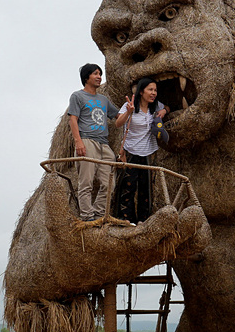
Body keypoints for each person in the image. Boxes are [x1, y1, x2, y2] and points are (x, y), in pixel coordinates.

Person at [67, 63, 121, 221]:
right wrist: (78, 142)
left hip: (104, 144)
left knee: (109, 183)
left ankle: (98, 214)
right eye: (95, 74)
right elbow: (73, 120)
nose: (99, 77)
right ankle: (87, 216)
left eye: (100, 74)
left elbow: (119, 117)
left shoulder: (103, 100)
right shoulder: (77, 96)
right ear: (86, 77)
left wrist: (130, 111)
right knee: (86, 182)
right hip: (87, 140)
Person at [114, 77, 169, 224]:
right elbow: (118, 123)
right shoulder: (129, 105)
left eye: (155, 90)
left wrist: (163, 110)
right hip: (131, 151)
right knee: (128, 187)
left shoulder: (155, 106)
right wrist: (129, 112)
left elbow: (168, 108)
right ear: (141, 91)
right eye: (150, 90)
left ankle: (144, 220)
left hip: (148, 153)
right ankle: (125, 219)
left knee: (146, 189)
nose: (153, 93)